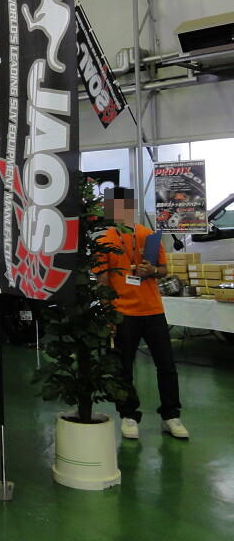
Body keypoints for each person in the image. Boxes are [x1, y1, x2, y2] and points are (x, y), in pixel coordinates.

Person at [95, 187, 188, 440]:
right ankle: (128, 415)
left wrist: (152, 271)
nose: (120, 211)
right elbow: (102, 281)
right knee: (123, 368)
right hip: (122, 313)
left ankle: (171, 415)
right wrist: (108, 314)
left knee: (166, 366)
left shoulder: (148, 235)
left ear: (131, 207)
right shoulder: (104, 241)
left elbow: (163, 269)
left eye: (124, 205)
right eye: (114, 206)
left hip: (153, 310)